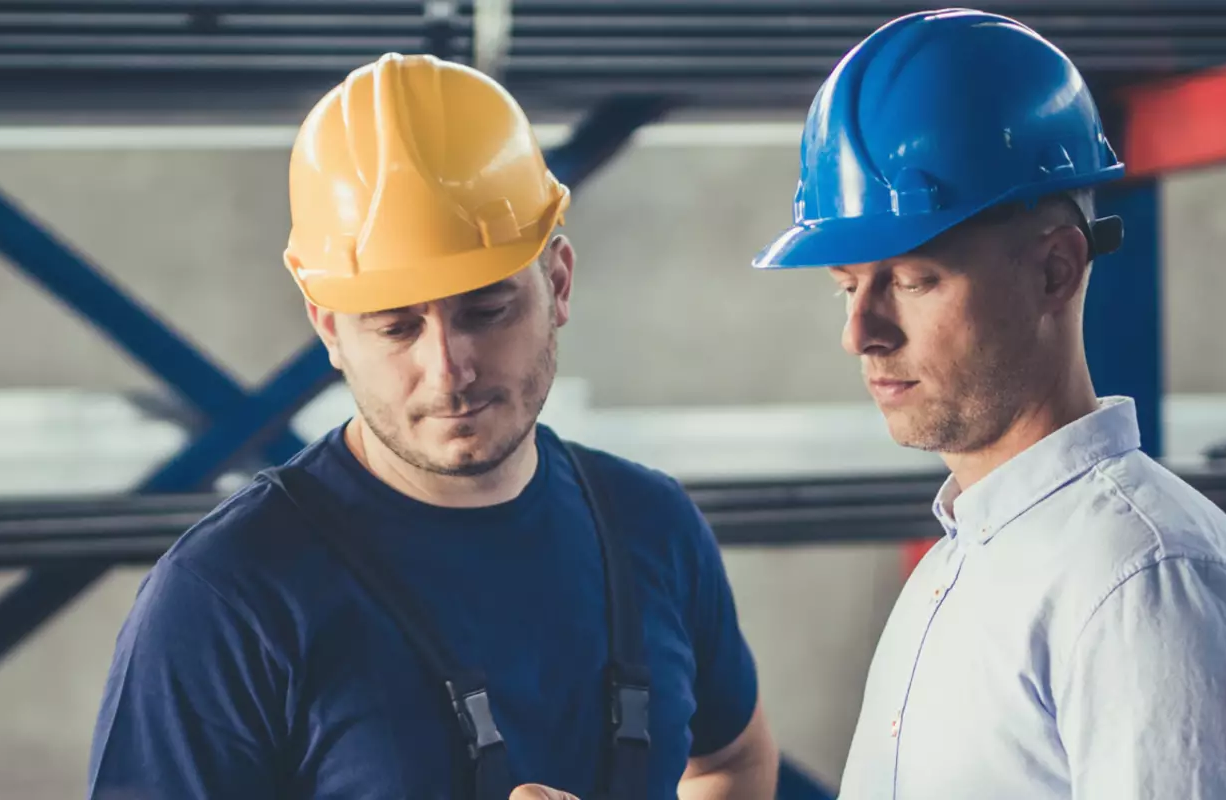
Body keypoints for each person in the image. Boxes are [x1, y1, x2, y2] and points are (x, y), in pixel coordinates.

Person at [89, 53, 778, 800]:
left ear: (559, 282)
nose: (449, 369)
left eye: (486, 312)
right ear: (329, 329)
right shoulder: (229, 599)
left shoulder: (653, 527)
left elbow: (730, 764)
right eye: (394, 328)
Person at [750, 10, 1226, 799]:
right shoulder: (968, 561)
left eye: (913, 279)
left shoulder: (1138, 580)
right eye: (848, 287)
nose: (862, 333)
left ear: (1055, 272)